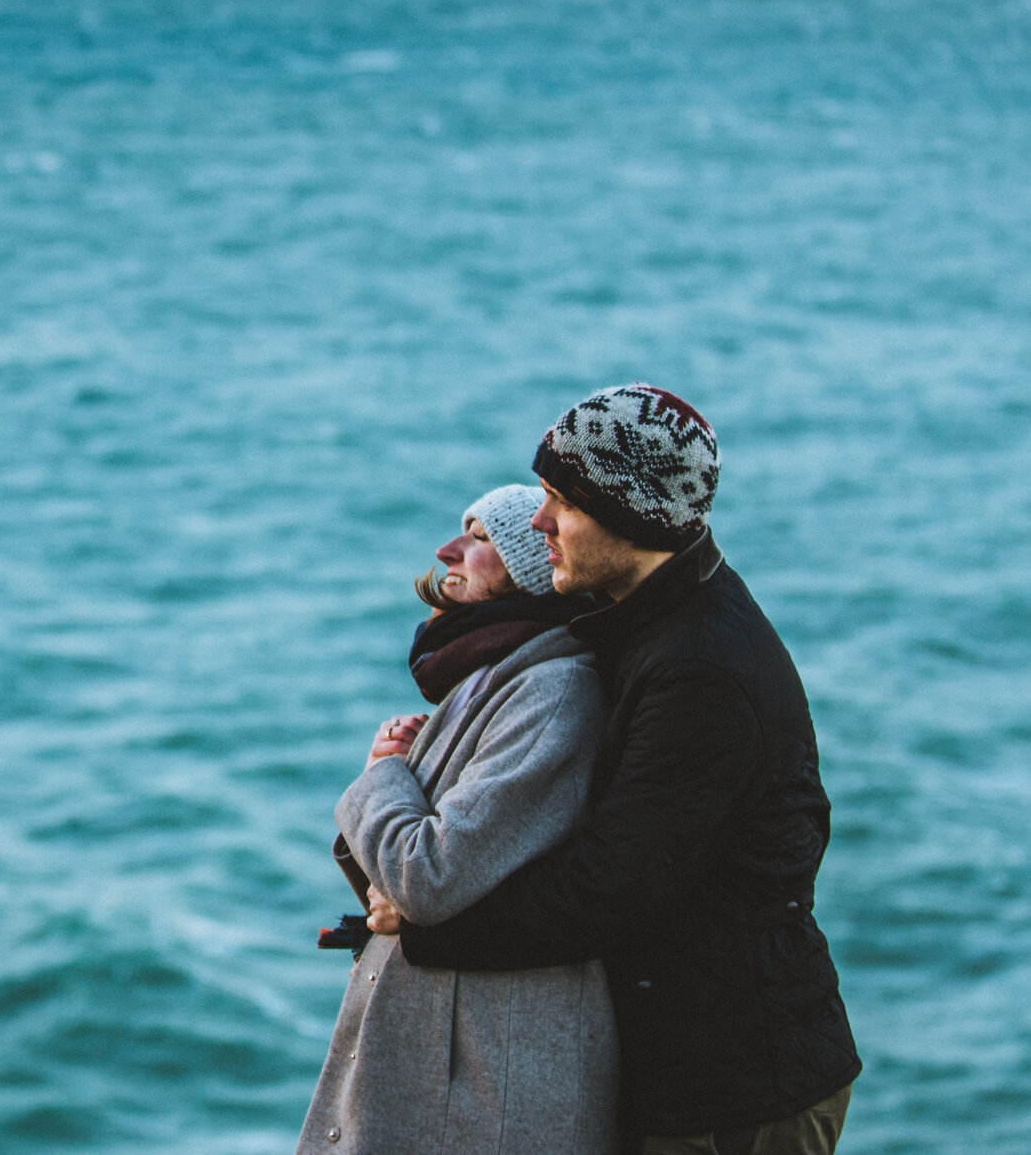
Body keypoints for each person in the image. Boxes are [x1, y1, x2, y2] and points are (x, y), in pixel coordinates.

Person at [370, 385, 862, 1154]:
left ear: (630, 516)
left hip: (736, 1088)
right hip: (686, 1062)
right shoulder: (643, 615)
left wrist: (432, 927)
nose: (538, 522)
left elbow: (612, 886)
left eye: (560, 501)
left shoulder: (700, 670)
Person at [296, 483, 619, 1154]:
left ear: (531, 568)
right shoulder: (490, 676)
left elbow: (427, 876)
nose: (448, 550)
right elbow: (417, 886)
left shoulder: (552, 693)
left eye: (481, 540)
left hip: (474, 1092)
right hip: (441, 1060)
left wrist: (381, 775)